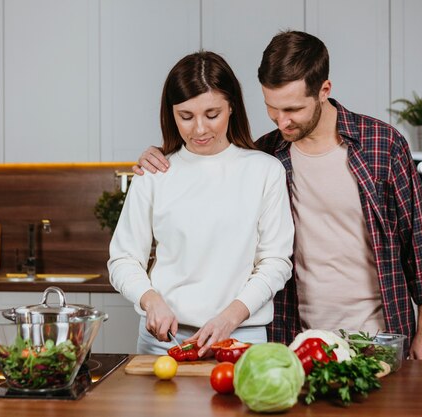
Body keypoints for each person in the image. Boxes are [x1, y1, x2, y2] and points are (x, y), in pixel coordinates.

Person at [133, 31, 422, 375]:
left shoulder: (381, 146)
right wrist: (159, 156)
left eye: (293, 109)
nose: (282, 121)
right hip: (295, 339)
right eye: (272, 108)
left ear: (324, 91)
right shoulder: (267, 153)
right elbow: (213, 166)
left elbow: (420, 241)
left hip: (377, 333)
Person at [108, 51, 294, 357]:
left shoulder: (265, 171)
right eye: (186, 116)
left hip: (240, 338)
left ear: (232, 106)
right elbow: (123, 259)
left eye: (212, 114)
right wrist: (150, 299)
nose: (199, 129)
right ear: (171, 113)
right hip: (164, 340)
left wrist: (230, 317)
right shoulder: (154, 173)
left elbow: (275, 262)